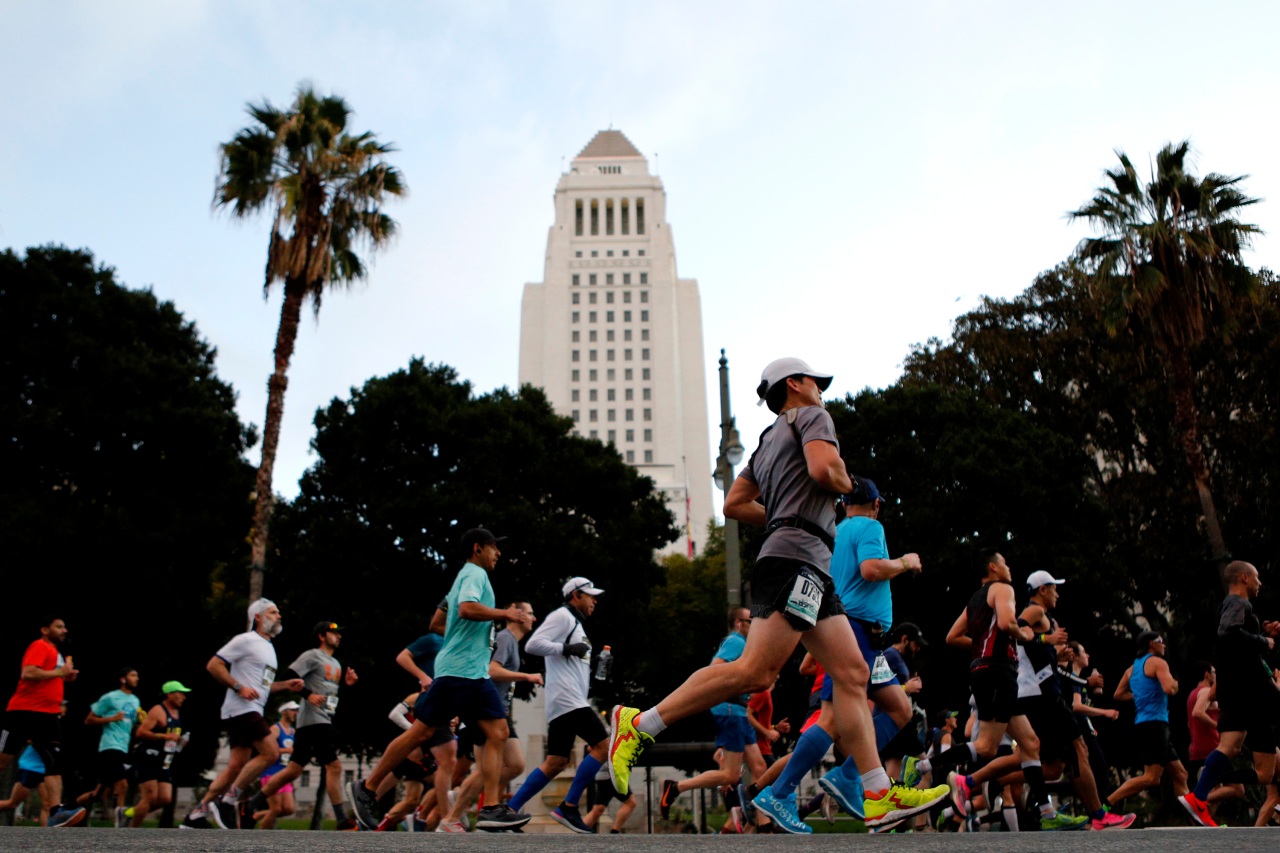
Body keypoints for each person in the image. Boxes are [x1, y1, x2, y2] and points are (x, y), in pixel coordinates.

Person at [607, 358, 948, 833]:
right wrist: (843, 483)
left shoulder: (767, 442)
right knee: (755, 671)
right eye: (816, 382)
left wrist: (784, 516)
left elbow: (733, 503)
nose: (821, 391)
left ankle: (875, 793)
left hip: (806, 564)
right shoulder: (812, 416)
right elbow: (825, 468)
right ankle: (640, 725)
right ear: (795, 384)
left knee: (852, 673)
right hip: (797, 562)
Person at [348, 528, 531, 831]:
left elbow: (437, 621)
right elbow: (467, 608)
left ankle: (490, 809)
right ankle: (366, 788)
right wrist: (506, 614)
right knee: (420, 734)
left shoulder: (461, 577)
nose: (498, 553)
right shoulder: (475, 574)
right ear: (477, 548)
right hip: (459, 673)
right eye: (493, 548)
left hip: (473, 672)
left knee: (498, 733)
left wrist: (463, 639)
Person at [770, 477, 925, 824]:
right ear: (876, 504)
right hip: (855, 630)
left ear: (842, 505)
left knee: (900, 708)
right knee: (829, 720)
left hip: (857, 632)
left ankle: (848, 775)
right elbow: (870, 569)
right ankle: (780, 792)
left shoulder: (836, 533)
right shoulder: (870, 526)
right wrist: (905, 562)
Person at [932, 550, 1088, 830]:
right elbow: (1008, 624)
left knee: (1030, 744)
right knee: (986, 747)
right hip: (998, 672)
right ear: (993, 567)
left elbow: (952, 636)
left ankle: (1048, 814)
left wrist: (983, 646)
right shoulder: (1002, 588)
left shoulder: (975, 599)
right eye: (1004, 563)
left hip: (989, 670)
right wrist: (1033, 636)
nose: (1009, 567)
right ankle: (930, 769)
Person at [1010, 573, 1132, 830]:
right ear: (1042, 589)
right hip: (1042, 695)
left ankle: (985, 780)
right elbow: (1017, 631)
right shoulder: (1034, 611)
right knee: (1080, 750)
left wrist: (1055, 651)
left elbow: (1032, 651)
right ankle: (1098, 815)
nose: (1058, 594)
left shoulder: (1042, 615)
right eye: (1054, 589)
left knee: (1053, 765)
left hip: (1037, 694)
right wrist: (1047, 640)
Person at [182, 598, 304, 829]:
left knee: (236, 766)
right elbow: (214, 665)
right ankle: (228, 801)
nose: (279, 616)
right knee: (271, 752)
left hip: (249, 709)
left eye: (278, 613)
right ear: (258, 617)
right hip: (241, 709)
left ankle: (196, 815)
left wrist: (286, 685)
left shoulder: (268, 647)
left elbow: (263, 687)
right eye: (273, 612)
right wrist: (238, 687)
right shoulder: (246, 640)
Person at [1182, 560, 1280, 827]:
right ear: (1245, 578)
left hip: (1235, 690)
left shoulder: (1227, 606)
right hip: (1252, 690)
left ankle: (1200, 794)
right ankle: (1207, 783)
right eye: (1257, 578)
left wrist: (1261, 634)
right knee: (1264, 771)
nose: (1260, 583)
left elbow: (1234, 644)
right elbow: (1229, 634)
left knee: (1232, 749)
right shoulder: (1240, 603)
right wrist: (1263, 641)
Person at [511, 577, 610, 833]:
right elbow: (533, 645)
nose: (594, 600)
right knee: (604, 746)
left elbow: (571, 657)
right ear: (576, 595)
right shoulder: (563, 616)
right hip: (568, 699)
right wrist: (566, 649)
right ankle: (568, 806)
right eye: (590, 595)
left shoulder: (575, 623)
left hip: (565, 700)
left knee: (555, 762)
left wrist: (588, 659)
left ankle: (510, 810)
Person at [435, 601, 543, 832]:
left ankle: (460, 803)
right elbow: (491, 671)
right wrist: (526, 676)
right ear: (516, 614)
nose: (534, 618)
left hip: (498, 712)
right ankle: (456, 812)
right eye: (531, 613)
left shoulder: (511, 642)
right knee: (491, 769)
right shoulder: (504, 638)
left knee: (514, 765)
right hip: (487, 711)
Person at [240, 621, 359, 830]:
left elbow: (332, 694)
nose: (338, 637)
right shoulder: (312, 655)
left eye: (339, 634)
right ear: (322, 636)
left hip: (320, 720)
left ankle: (250, 806)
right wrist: (308, 695)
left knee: (293, 770)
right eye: (334, 633)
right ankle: (341, 820)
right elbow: (290, 676)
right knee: (335, 766)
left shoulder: (337, 664)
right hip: (314, 720)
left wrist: (346, 686)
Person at [660, 608, 755, 820]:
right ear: (739, 623)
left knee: (759, 765)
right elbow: (715, 669)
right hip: (731, 710)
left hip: (739, 711)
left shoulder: (742, 644)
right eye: (752, 621)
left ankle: (763, 818)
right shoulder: (736, 642)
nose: (756, 626)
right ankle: (676, 787)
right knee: (730, 775)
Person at [0, 616, 85, 828]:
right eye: (59, 626)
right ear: (45, 629)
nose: (64, 630)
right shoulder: (40, 646)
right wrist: (60, 672)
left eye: (65, 626)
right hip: (23, 712)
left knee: (54, 761)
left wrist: (65, 677)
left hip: (47, 715)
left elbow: (48, 676)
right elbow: (28, 672)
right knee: (2, 760)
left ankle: (56, 812)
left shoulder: (56, 654)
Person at [1106, 631, 1192, 814]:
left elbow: (1118, 694)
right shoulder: (1158, 663)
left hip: (1147, 725)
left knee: (1180, 774)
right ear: (1152, 644)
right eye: (1161, 641)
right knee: (1151, 778)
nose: (1164, 645)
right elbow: (1169, 688)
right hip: (1155, 725)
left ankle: (1194, 821)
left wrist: (1141, 695)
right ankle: (1104, 805)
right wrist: (1175, 683)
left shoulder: (1132, 669)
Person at [125, 680, 191, 827]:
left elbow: (170, 735)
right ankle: (130, 831)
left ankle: (130, 813)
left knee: (165, 799)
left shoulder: (177, 712)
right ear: (170, 694)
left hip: (165, 759)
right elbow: (141, 732)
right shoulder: (158, 711)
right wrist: (164, 737)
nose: (183, 697)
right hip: (148, 756)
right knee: (150, 797)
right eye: (181, 693)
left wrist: (178, 740)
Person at [83, 667, 142, 826]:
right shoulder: (110, 697)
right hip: (110, 745)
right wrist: (112, 719)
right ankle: (120, 822)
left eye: (137, 676)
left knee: (100, 793)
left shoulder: (136, 701)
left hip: (123, 747)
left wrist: (141, 722)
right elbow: (89, 720)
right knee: (122, 784)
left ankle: (74, 809)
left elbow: (132, 725)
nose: (137, 678)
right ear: (123, 679)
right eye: (133, 675)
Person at [253, 701, 298, 829]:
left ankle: (257, 816)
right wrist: (286, 750)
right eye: (292, 710)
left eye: (296, 710)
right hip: (271, 773)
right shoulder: (275, 729)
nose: (295, 713)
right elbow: (267, 750)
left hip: (284, 774)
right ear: (284, 712)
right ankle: (259, 836)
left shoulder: (293, 731)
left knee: (289, 809)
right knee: (276, 809)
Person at [584, 761, 636, 833]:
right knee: (630, 802)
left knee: (598, 809)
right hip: (614, 775)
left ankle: (581, 831)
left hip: (601, 776)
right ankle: (614, 832)